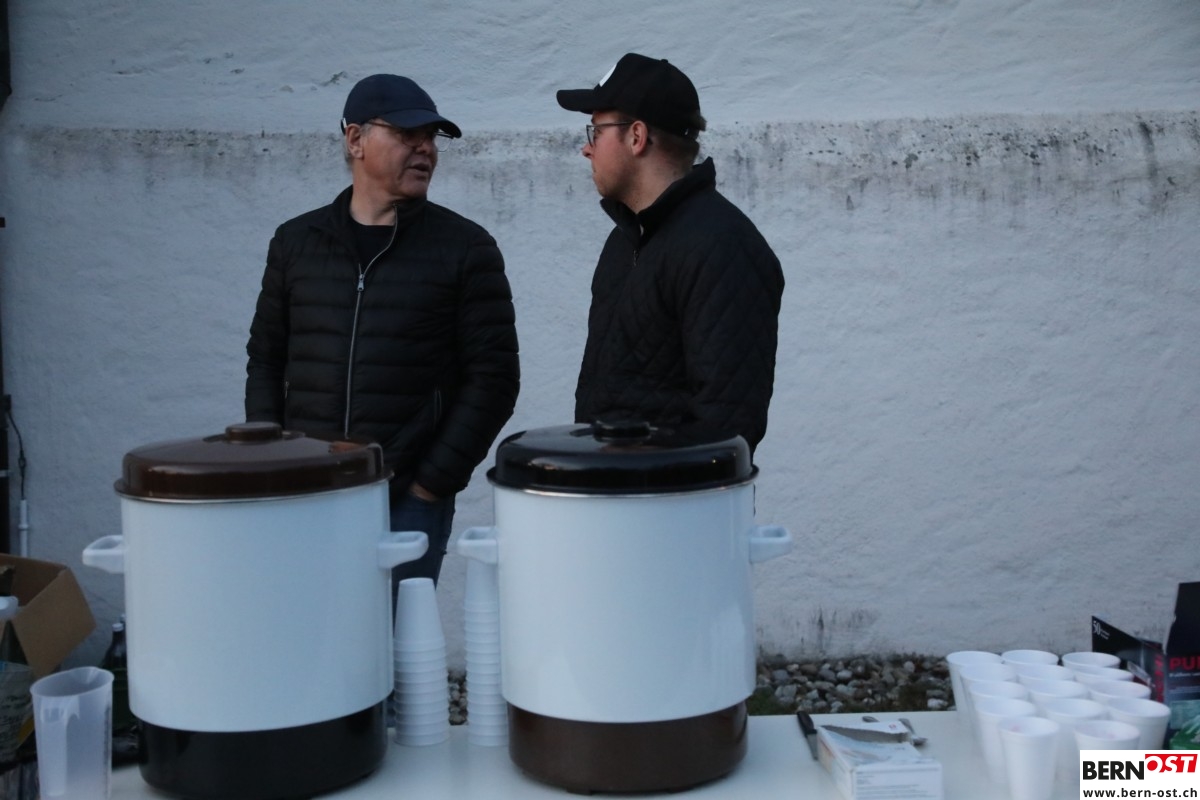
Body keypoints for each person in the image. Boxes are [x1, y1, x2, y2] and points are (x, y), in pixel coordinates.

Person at [245, 74, 520, 587]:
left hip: (406, 500)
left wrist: (431, 484)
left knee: (396, 631)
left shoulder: (465, 248)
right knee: (309, 626)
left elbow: (494, 378)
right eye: (407, 134)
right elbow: (266, 360)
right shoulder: (296, 243)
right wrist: (271, 461)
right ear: (355, 140)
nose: (425, 148)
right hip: (303, 492)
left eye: (431, 137)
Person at [556, 53, 784, 455]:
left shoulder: (722, 246)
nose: (586, 149)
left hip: (670, 494)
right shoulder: (625, 240)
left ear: (636, 136)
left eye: (596, 132)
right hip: (608, 485)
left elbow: (727, 426)